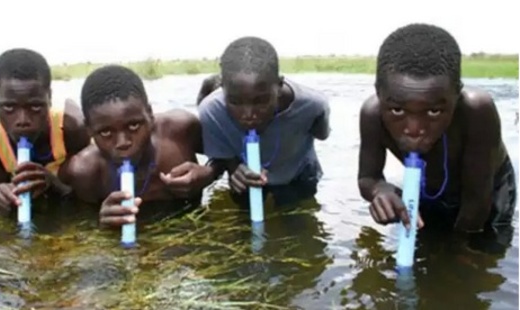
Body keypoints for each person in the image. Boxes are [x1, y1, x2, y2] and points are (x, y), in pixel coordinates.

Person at [357, 23, 516, 249]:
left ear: (457, 94)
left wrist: (458, 253)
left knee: (484, 249)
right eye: (398, 110)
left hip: (486, 188)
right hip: (429, 185)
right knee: (426, 242)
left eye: (434, 111)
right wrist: (379, 191)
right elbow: (367, 178)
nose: (414, 128)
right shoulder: (372, 115)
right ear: (378, 92)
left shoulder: (476, 111)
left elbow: (476, 201)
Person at [62, 65, 217, 228]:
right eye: (106, 132)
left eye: (134, 125)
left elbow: (225, 156)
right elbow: (77, 227)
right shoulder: (85, 173)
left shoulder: (180, 131)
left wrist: (209, 173)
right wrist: (101, 225)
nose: (123, 142)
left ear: (150, 114)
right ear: (89, 130)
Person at [197, 36, 331, 208]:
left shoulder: (313, 105)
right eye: (235, 102)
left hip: (299, 176)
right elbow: (222, 155)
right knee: (244, 225)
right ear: (222, 87)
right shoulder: (211, 111)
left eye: (261, 101)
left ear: (279, 85)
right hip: (247, 181)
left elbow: (322, 134)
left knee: (298, 220)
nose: (249, 114)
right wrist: (235, 169)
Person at [0, 48, 91, 212]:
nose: (22, 121)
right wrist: (4, 199)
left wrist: (55, 186)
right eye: (9, 107)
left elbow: (83, 195)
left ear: (49, 98)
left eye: (36, 107)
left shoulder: (73, 127)